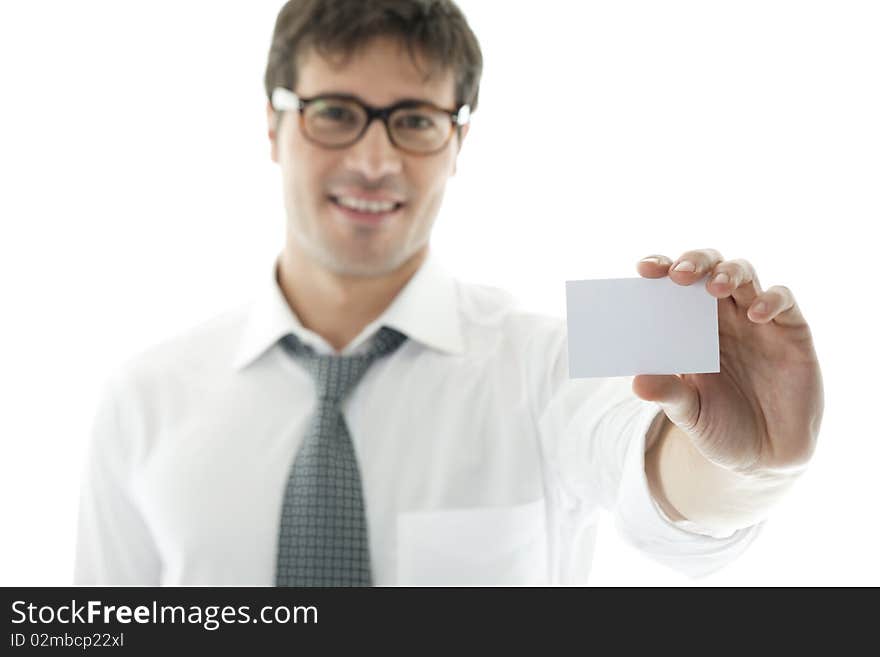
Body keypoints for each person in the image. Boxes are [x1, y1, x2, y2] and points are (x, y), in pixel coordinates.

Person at [74, 0, 824, 586]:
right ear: (274, 125)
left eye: (414, 121)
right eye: (335, 113)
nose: (374, 160)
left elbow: (653, 479)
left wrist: (747, 467)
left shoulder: (544, 365)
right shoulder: (144, 399)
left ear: (458, 144)